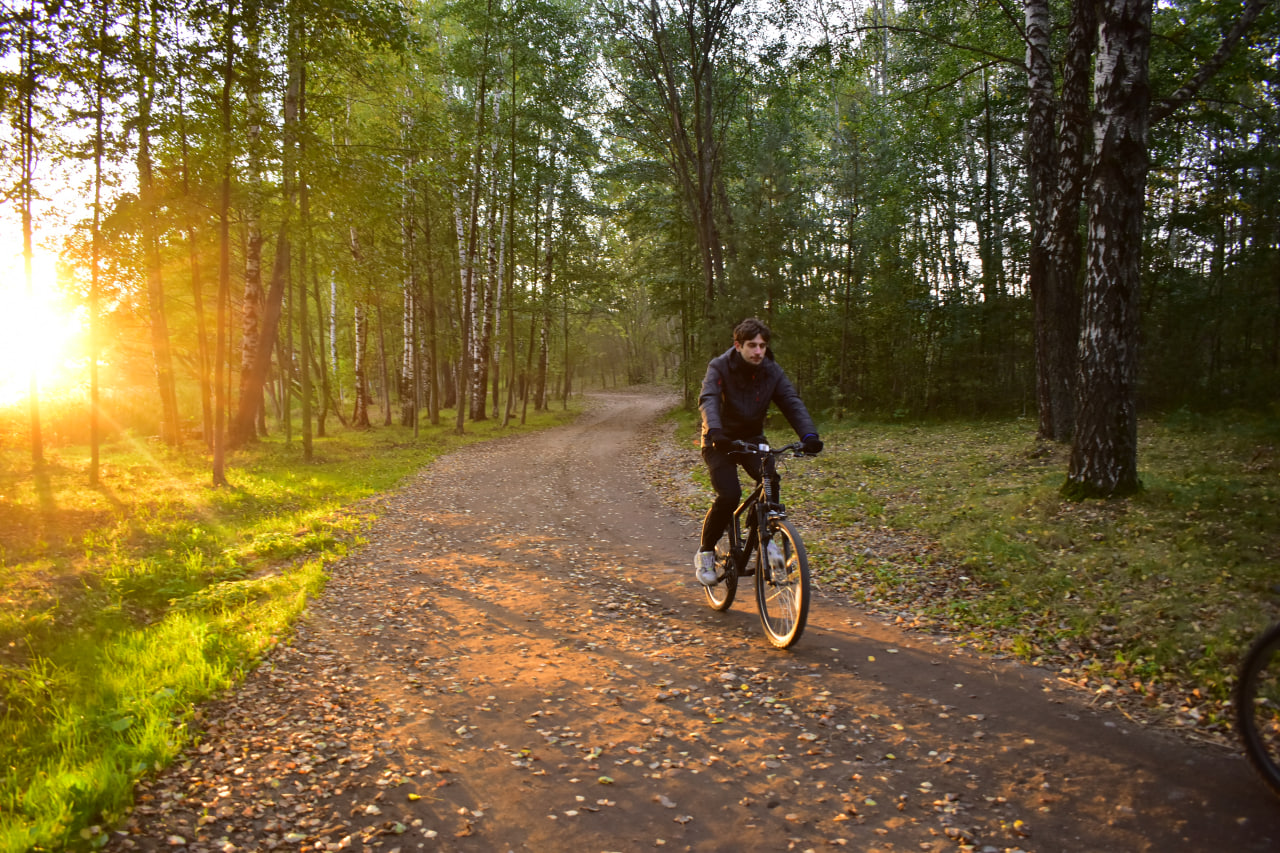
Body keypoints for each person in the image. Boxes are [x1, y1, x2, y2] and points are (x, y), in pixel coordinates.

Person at [695, 317, 823, 585]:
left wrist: (809, 435)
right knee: (730, 495)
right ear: (738, 345)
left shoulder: (771, 371)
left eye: (762, 346)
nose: (758, 351)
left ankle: (764, 539)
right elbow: (708, 399)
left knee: (770, 481)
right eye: (752, 345)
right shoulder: (719, 367)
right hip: (719, 439)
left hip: (752, 438)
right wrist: (715, 431)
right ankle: (706, 553)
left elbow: (791, 401)